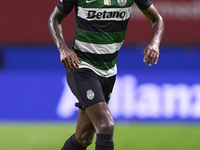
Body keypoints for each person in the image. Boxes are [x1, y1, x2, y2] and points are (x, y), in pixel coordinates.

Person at [48, 0, 164, 149]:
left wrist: (155, 42)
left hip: (109, 70)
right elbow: (54, 18)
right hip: (81, 65)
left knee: (84, 137)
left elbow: (157, 19)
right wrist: (62, 48)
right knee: (106, 125)